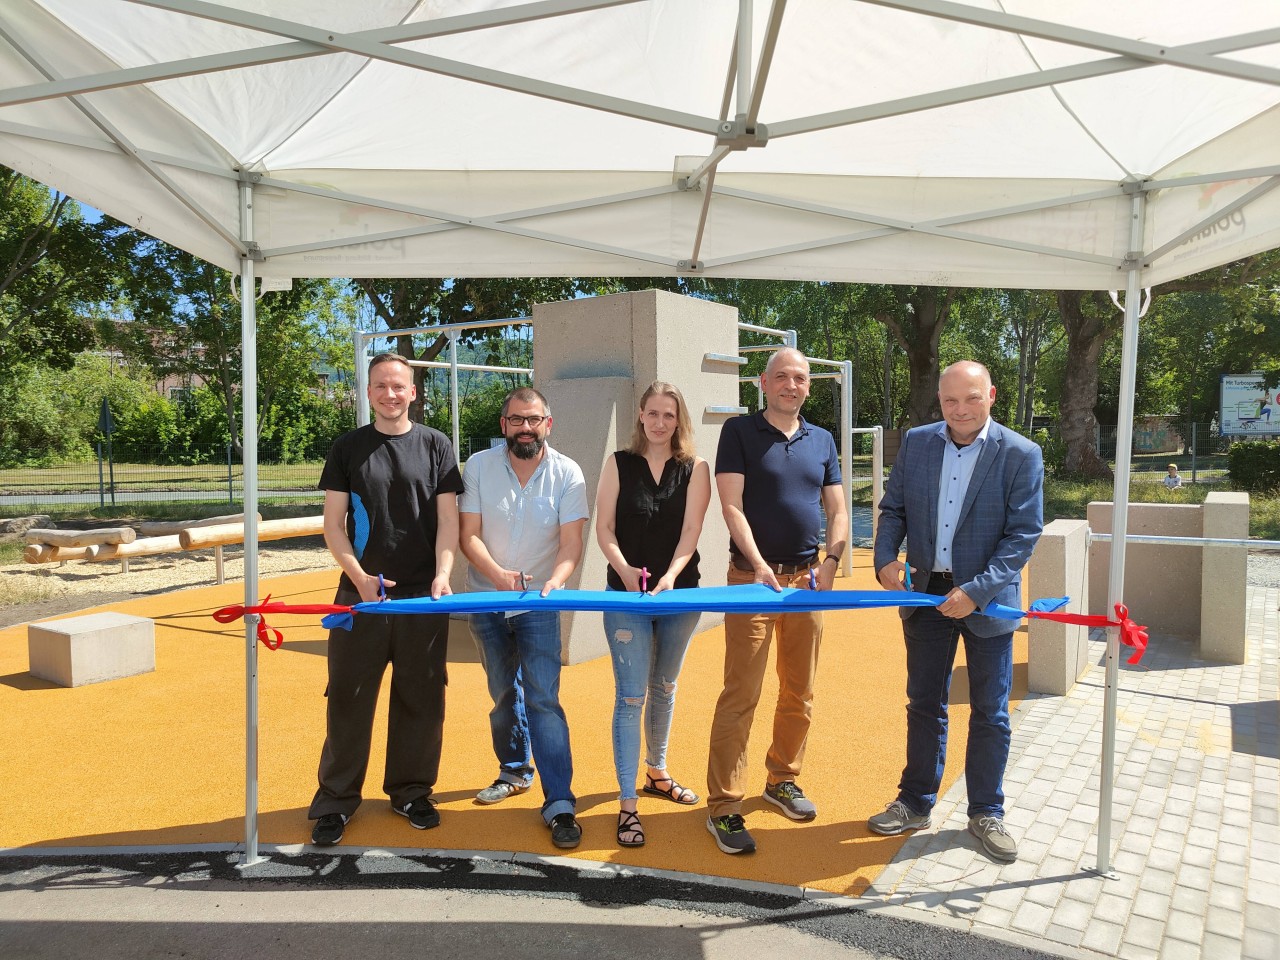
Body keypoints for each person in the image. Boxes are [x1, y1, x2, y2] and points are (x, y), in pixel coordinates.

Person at [869, 360, 1044, 863]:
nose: (960, 410)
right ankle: (915, 801)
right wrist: (885, 559)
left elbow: (1022, 535)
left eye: (971, 398)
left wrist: (977, 590)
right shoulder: (920, 443)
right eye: (950, 401)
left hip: (986, 602)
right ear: (939, 401)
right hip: (924, 597)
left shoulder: (1020, 454)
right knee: (924, 703)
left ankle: (986, 811)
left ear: (991, 395)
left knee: (990, 710)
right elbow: (894, 508)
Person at [309, 352, 462, 846]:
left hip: (422, 599)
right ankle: (336, 800)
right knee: (349, 701)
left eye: (399, 386)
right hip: (359, 598)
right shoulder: (348, 448)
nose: (390, 394)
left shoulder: (437, 446)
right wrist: (359, 577)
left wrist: (443, 575)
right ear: (368, 391)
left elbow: (448, 524)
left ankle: (411, 791)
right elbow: (333, 526)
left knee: (422, 699)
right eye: (381, 386)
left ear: (413, 392)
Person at [705, 347, 849, 855]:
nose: (792, 384)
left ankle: (782, 779)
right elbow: (730, 506)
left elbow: (837, 509)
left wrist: (831, 563)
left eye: (801, 378)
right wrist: (760, 566)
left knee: (799, 692)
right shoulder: (739, 434)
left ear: (809, 386)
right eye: (782, 376)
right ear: (763, 383)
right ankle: (724, 806)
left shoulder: (824, 440)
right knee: (740, 694)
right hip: (751, 581)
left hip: (808, 582)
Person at [460, 386, 590, 849]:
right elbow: (468, 535)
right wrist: (496, 575)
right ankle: (514, 770)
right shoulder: (477, 467)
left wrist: (555, 582)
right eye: (516, 420)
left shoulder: (568, 473)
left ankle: (559, 802)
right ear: (504, 426)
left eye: (533, 419)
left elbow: (572, 543)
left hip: (540, 603)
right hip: (485, 600)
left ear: (547, 424)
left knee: (544, 699)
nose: (525, 428)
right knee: (501, 694)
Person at [595, 381, 712, 847]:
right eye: (653, 414)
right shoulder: (618, 463)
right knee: (629, 697)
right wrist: (623, 569)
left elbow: (692, 532)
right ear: (640, 416)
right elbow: (603, 527)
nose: (660, 423)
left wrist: (670, 579)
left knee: (664, 687)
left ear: (678, 420)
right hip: (625, 596)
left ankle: (656, 772)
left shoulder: (695, 468)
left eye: (669, 415)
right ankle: (628, 805)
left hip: (679, 595)